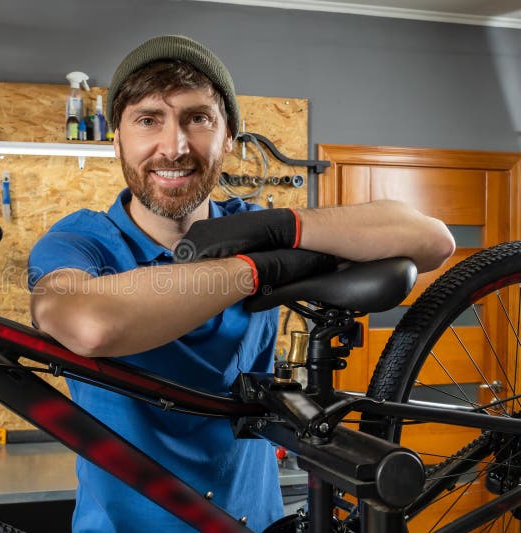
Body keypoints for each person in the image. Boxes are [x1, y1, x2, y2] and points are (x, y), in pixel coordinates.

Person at [27, 35, 454, 532]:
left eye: (198, 118)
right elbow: (89, 325)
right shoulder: (80, 243)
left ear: (229, 137)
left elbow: (433, 240)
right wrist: (255, 270)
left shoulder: (255, 228)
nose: (175, 146)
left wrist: (280, 230)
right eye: (148, 120)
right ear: (116, 138)